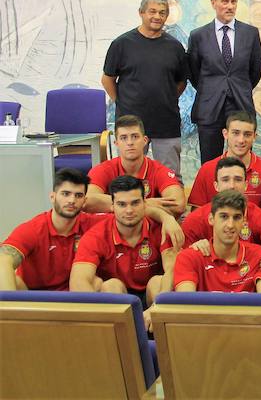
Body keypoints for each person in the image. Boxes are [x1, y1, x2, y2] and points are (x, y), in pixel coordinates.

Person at [0, 168, 182, 291]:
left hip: (76, 295)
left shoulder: (94, 224)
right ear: (52, 197)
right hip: (34, 294)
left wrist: (165, 217)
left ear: (85, 201)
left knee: (103, 284)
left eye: (78, 195)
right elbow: (3, 259)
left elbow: (129, 213)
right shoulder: (34, 228)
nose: (71, 200)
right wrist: (8, 306)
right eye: (65, 194)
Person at [70, 175, 179, 328]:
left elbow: (173, 270)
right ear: (112, 207)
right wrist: (98, 314)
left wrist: (156, 306)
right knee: (109, 286)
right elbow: (78, 281)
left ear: (145, 204)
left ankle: (160, 340)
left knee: (158, 282)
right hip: (116, 299)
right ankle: (119, 336)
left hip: (152, 297)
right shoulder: (96, 235)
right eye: (122, 204)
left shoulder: (161, 229)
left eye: (135, 203)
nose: (129, 210)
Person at [101, 0, 188, 178]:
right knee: (129, 178)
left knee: (170, 177)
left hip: (166, 122)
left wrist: (166, 98)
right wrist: (122, 102)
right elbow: (107, 79)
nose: (157, 17)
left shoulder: (175, 47)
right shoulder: (121, 44)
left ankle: (168, 208)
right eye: (152, 11)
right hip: (131, 123)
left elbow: (181, 82)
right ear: (141, 13)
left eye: (162, 13)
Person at [187, 0, 261, 164]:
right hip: (209, 107)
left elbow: (255, 71)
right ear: (213, 3)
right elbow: (194, 73)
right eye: (224, 1)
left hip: (241, 104)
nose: (230, 6)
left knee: (242, 162)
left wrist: (237, 86)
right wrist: (213, 88)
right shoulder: (198, 35)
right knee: (210, 163)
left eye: (233, 2)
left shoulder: (250, 33)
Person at [173, 190, 261, 293]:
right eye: (224, 216)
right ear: (211, 219)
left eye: (237, 217)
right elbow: (186, 304)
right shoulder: (188, 258)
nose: (230, 225)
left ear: (244, 221)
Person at [181, 157, 261, 261]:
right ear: (216, 186)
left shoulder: (260, 216)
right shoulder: (195, 219)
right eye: (225, 180)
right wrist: (193, 249)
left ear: (246, 185)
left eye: (238, 180)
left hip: (248, 274)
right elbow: (179, 258)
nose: (232, 186)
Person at [86, 115, 185, 217]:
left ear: (145, 140)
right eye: (123, 138)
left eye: (135, 137)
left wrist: (118, 205)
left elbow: (178, 204)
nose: (130, 143)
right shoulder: (104, 169)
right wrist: (143, 203)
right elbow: (87, 201)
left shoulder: (158, 170)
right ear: (116, 143)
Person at [187, 111, 261, 208]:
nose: (241, 140)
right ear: (225, 134)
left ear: (254, 137)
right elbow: (196, 214)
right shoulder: (207, 169)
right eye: (235, 133)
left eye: (247, 134)